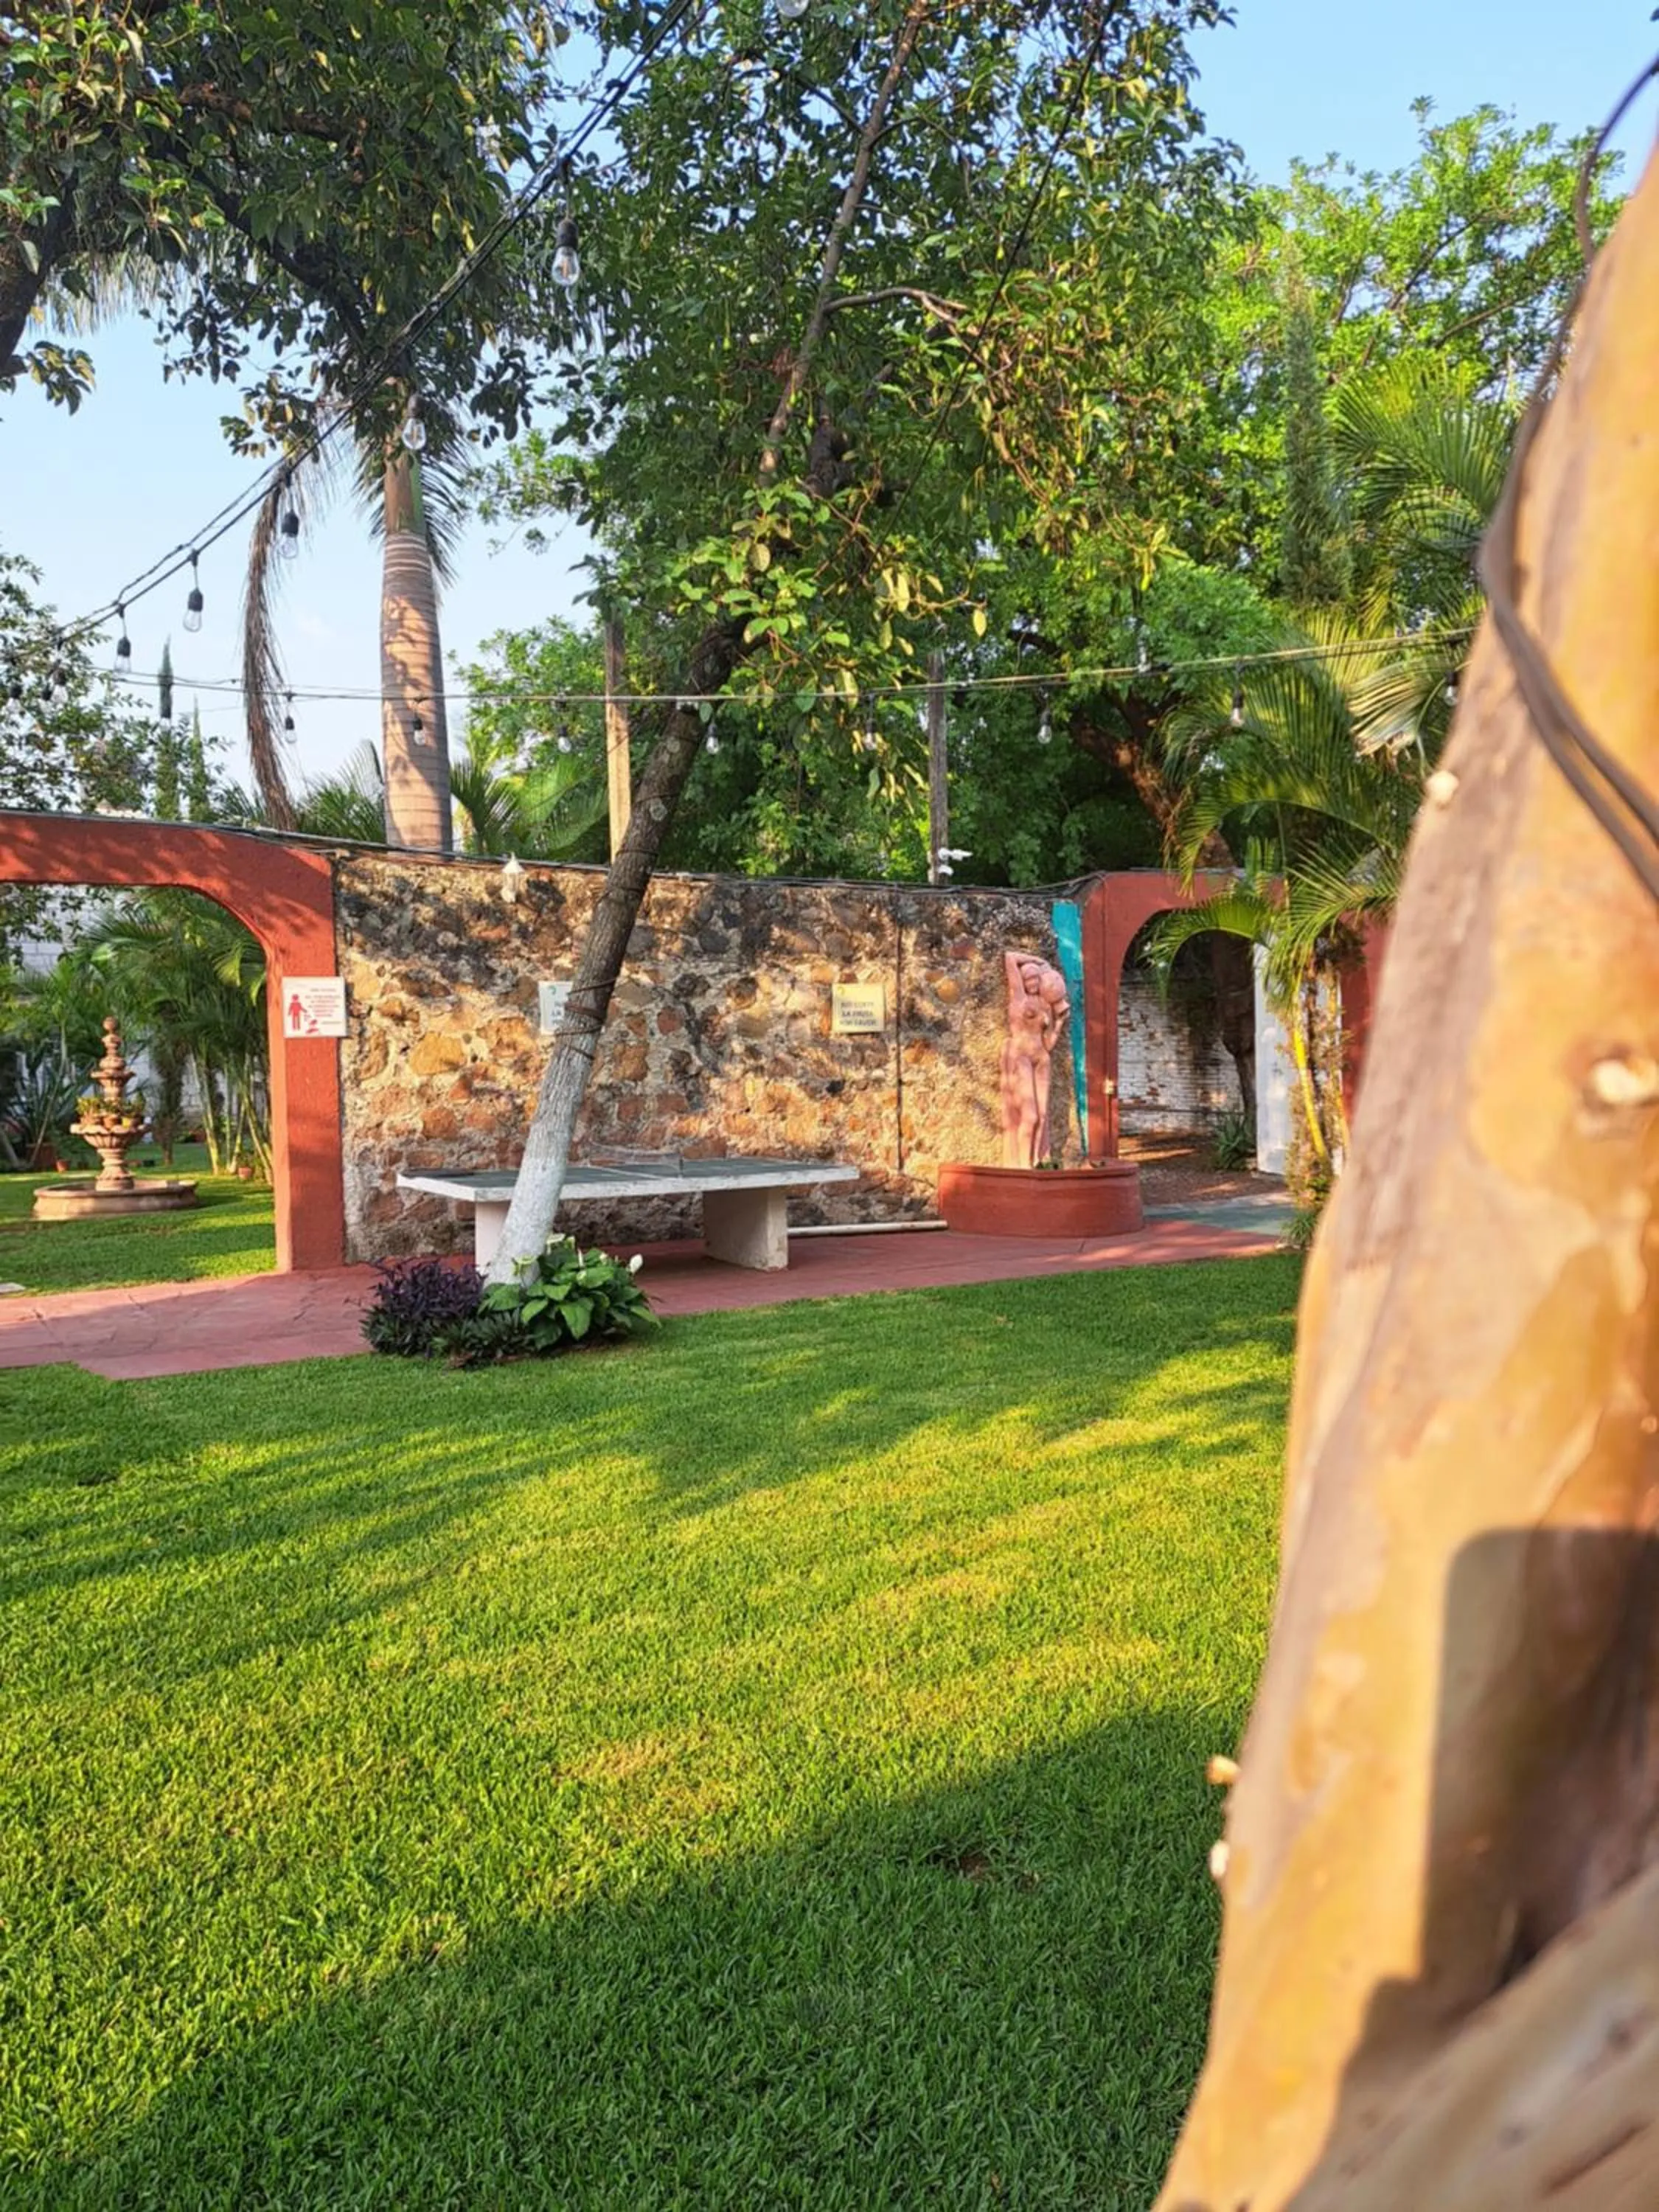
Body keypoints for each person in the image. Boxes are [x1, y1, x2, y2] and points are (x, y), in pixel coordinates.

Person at [1001, 951, 1068, 1167]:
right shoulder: (1018, 997)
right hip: (1021, 1058)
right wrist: (1040, 962)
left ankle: (1036, 1160)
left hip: (1042, 1059)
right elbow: (1010, 957)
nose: (1032, 982)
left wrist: (1058, 1024)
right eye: (1028, 978)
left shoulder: (1045, 1005)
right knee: (1029, 1116)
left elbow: (1047, 1044)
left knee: (1042, 1114)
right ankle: (1022, 1166)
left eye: (1035, 979)